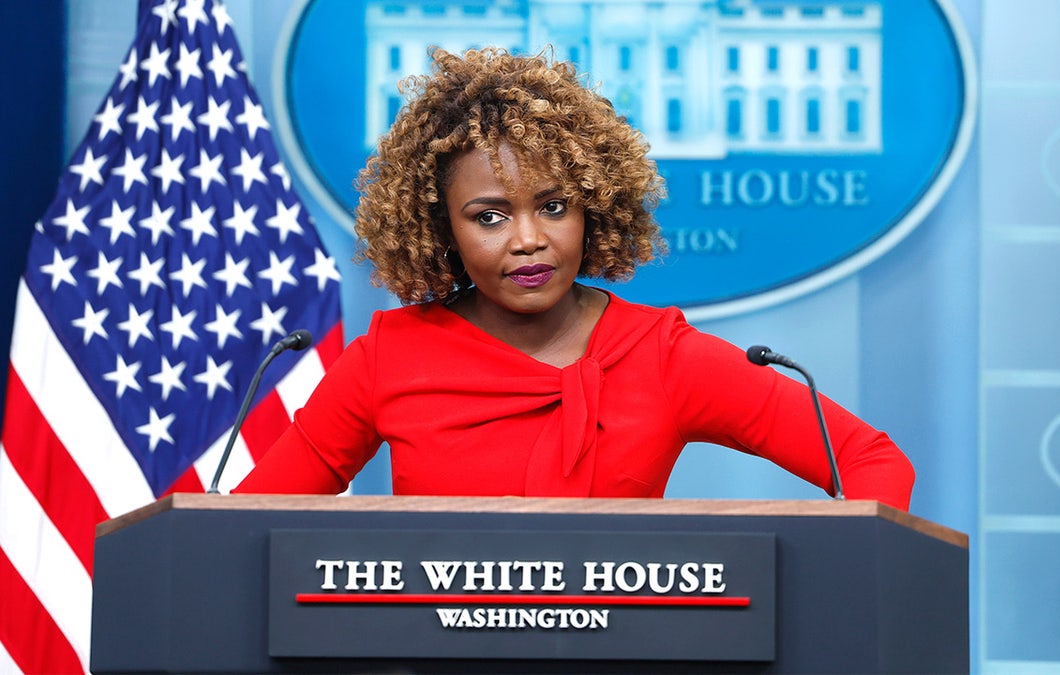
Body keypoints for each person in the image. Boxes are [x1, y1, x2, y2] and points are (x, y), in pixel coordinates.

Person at [233, 47, 915, 510]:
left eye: (554, 206)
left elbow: (872, 459)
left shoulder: (662, 355)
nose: (529, 239)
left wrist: (833, 591)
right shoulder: (389, 358)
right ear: (443, 228)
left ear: (594, 205)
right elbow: (244, 524)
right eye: (489, 217)